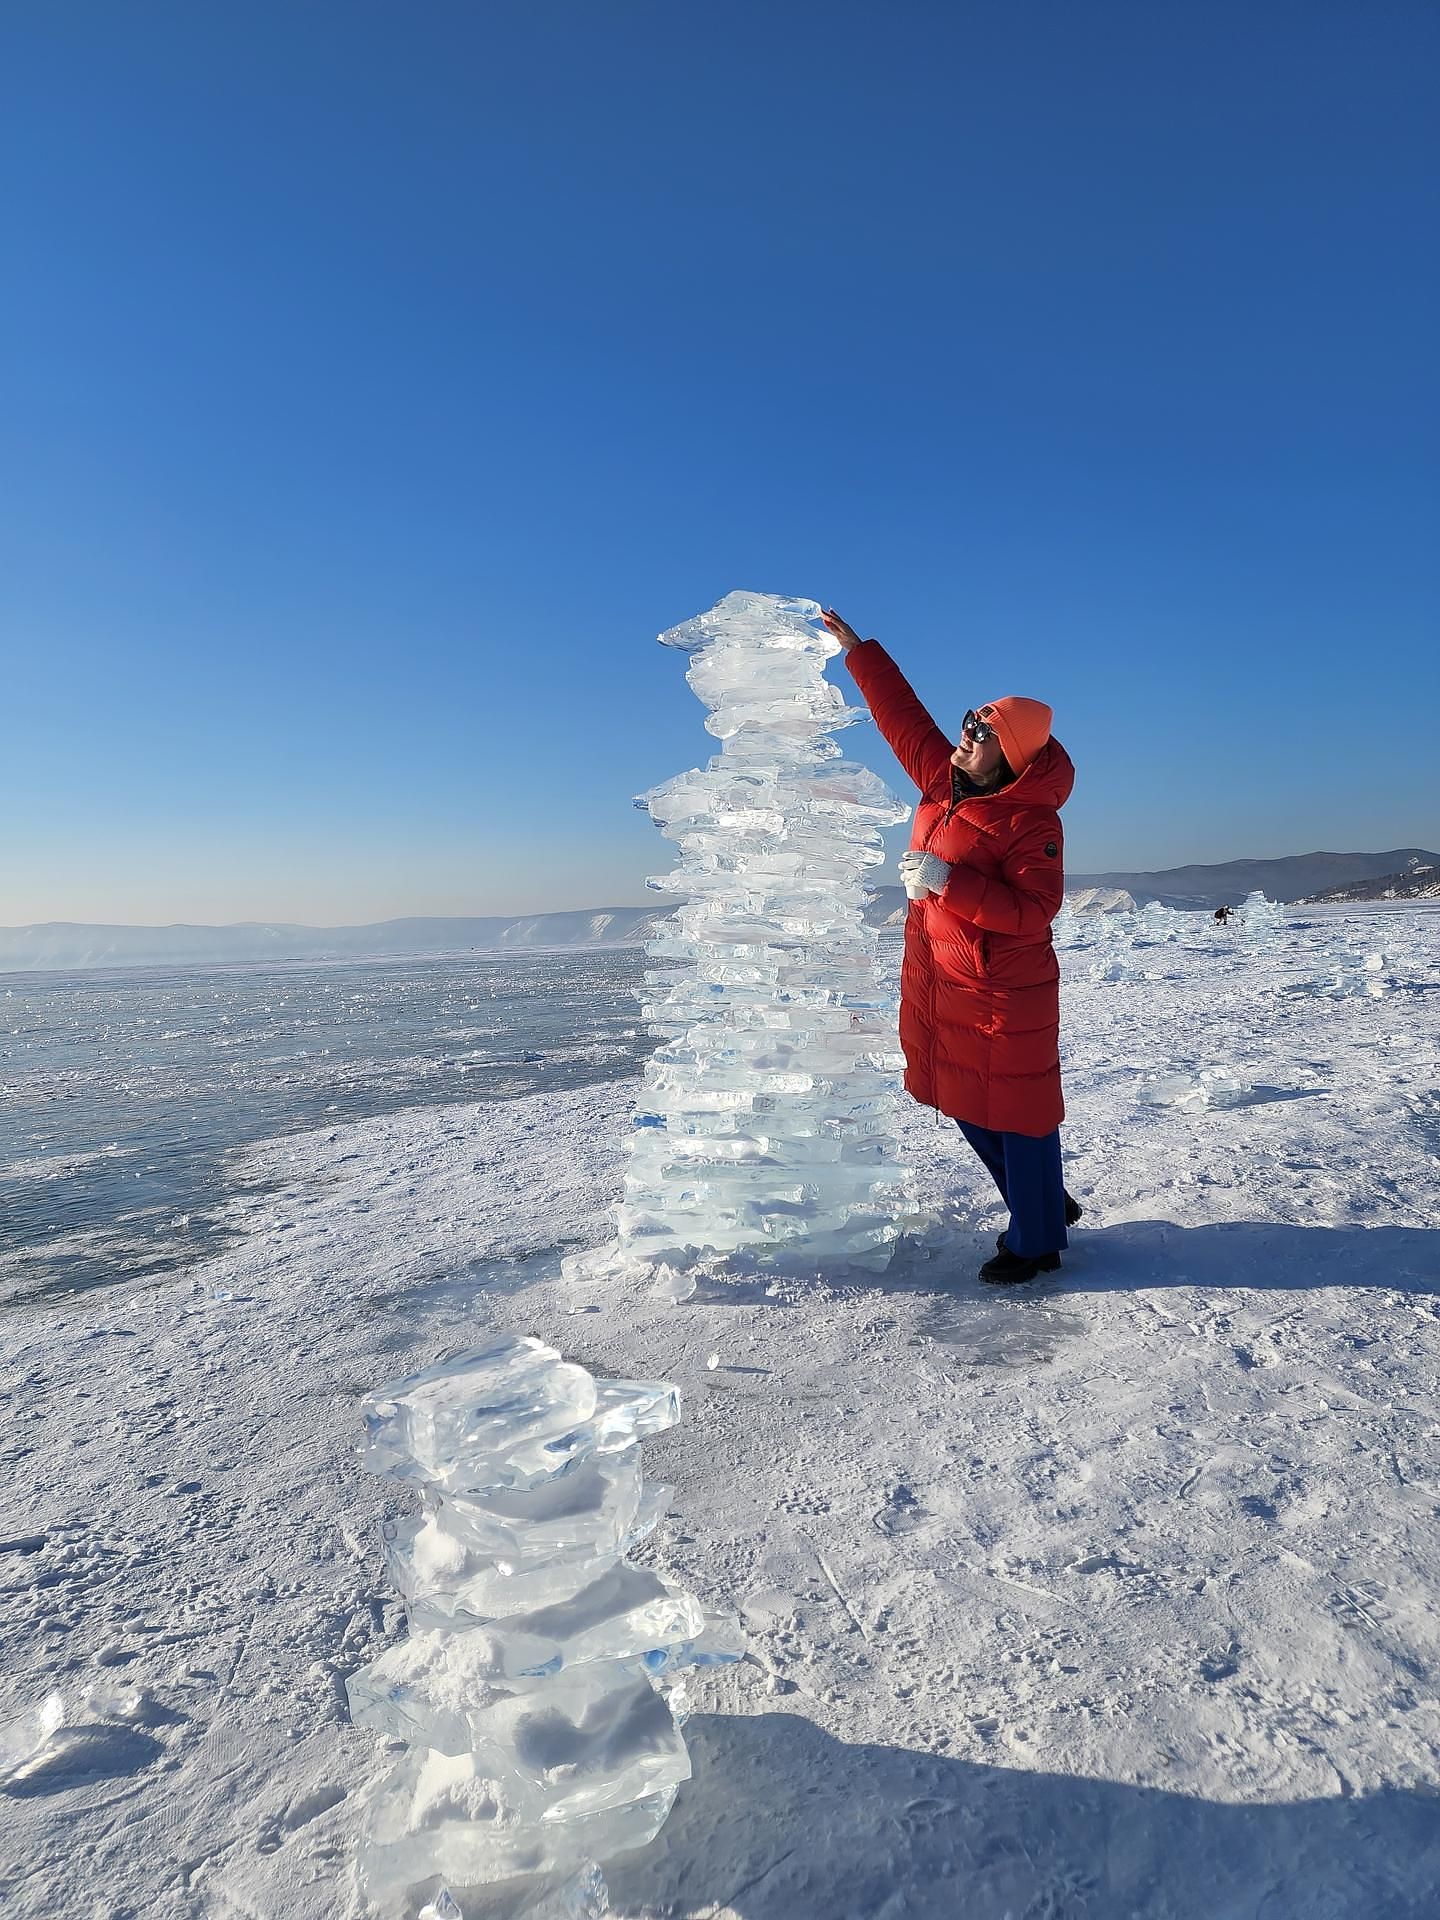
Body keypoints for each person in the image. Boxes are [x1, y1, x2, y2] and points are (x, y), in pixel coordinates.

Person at [821, 607, 1079, 1284]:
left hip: (1003, 990)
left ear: (1011, 754)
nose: (965, 736)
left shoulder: (1030, 822)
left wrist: (947, 882)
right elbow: (902, 720)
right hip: (946, 980)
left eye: (981, 732)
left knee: (1019, 1118)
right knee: (966, 1102)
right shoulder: (946, 782)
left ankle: (1036, 1241)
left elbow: (1033, 910)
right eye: (970, 722)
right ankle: (1044, 1205)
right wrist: (860, 653)